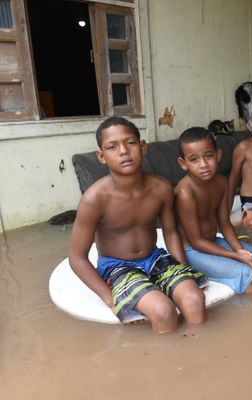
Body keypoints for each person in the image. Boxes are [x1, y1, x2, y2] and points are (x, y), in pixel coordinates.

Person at [68, 117, 207, 333]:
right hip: (117, 266)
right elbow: (77, 257)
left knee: (194, 298)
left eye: (131, 143)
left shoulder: (161, 188)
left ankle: (201, 356)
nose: (123, 151)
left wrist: (181, 269)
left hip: (154, 258)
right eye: (112, 147)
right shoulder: (94, 199)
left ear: (143, 147)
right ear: (102, 157)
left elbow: (170, 233)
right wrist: (109, 299)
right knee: (163, 311)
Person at [175, 127, 252, 294]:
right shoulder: (185, 192)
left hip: (213, 242)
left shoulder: (222, 183)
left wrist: (240, 250)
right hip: (192, 251)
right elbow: (196, 242)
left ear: (218, 155)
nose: (203, 165)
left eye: (209, 156)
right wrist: (237, 257)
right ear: (183, 163)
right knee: (247, 275)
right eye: (194, 159)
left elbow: (224, 222)